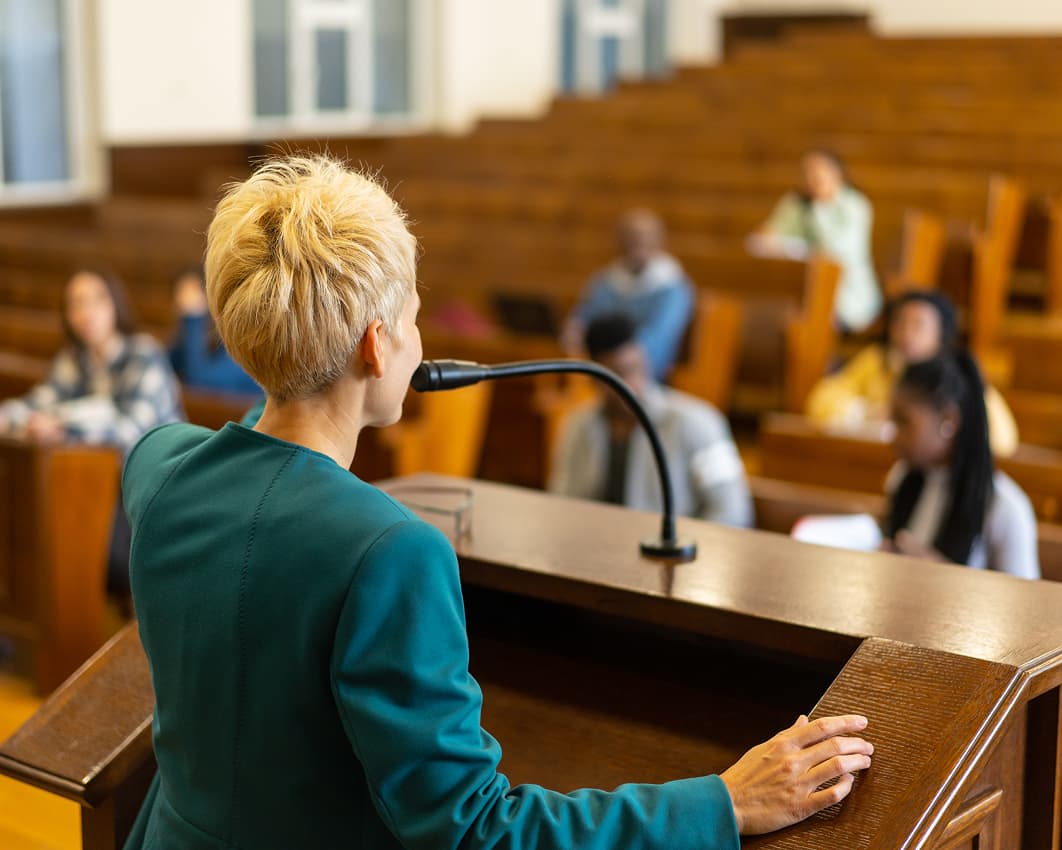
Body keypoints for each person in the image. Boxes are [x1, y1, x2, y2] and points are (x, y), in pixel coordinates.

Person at [121, 155, 871, 849]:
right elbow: (475, 830)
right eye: (412, 319)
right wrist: (723, 802)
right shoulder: (388, 553)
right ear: (377, 346)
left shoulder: (158, 469)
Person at [550, 313, 753, 527]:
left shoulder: (699, 422)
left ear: (645, 361)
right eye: (615, 376)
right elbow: (562, 503)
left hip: (673, 552)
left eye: (633, 369)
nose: (628, 385)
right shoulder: (578, 426)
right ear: (592, 378)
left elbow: (732, 512)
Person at [806, 289, 1019, 456]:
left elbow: (1002, 439)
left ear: (940, 336)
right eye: (900, 323)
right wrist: (864, 413)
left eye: (918, 326)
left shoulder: (956, 377)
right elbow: (823, 399)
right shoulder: (878, 362)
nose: (906, 335)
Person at [883, 351, 1039, 578]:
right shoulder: (901, 477)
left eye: (903, 421)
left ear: (949, 420)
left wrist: (941, 574)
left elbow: (1027, 605)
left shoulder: (1005, 507)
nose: (893, 435)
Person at [0, 268, 183, 455]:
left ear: (115, 304)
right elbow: (39, 402)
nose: (87, 313)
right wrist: (6, 417)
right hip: (99, 472)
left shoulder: (144, 354)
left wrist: (65, 430)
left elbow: (135, 432)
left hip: (160, 472)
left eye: (98, 300)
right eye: (77, 303)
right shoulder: (74, 359)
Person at [749, 149, 882, 332]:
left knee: (809, 321)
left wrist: (819, 208)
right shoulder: (796, 204)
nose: (812, 177)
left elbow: (837, 251)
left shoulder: (854, 205)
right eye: (806, 172)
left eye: (818, 170)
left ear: (837, 173)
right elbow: (766, 237)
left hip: (847, 293)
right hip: (801, 288)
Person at [561, 208, 693, 381]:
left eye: (644, 236)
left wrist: (616, 359)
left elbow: (659, 337)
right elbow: (585, 315)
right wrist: (575, 328)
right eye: (631, 236)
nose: (637, 242)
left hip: (643, 375)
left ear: (658, 241)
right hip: (599, 365)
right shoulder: (607, 280)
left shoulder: (671, 286)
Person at [168, 264, 261, 395]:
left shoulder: (240, 338)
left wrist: (192, 318)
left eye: (191, 298)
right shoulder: (195, 332)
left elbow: (198, 380)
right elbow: (165, 365)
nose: (183, 304)